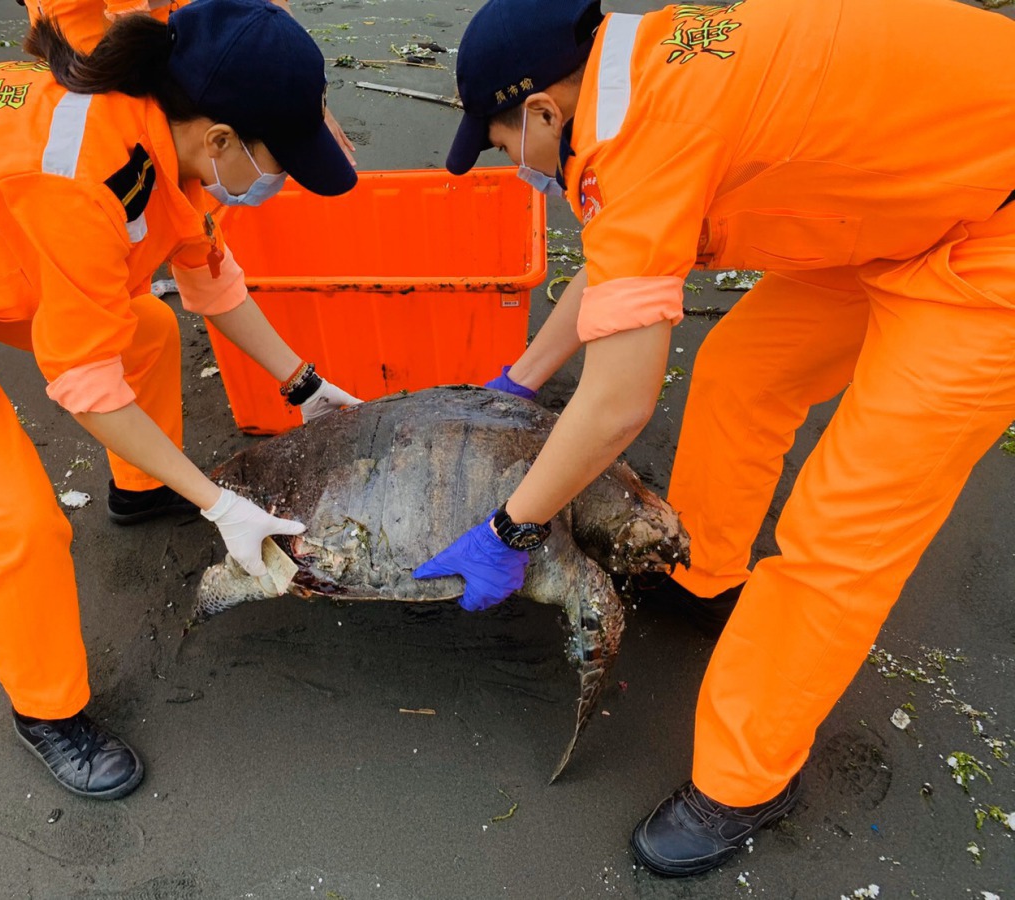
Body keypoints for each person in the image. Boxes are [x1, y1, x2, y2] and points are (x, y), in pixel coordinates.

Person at [416, 0, 1015, 877]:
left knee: (842, 530)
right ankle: (704, 569)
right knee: (739, 366)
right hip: (902, 200)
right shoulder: (644, 69)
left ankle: (746, 780)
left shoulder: (644, 134)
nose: (515, 165)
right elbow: (627, 255)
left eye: (505, 145)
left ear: (545, 110)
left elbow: (620, 402)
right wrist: (522, 380)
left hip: (991, 231)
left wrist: (512, 528)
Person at [0, 0, 359, 800]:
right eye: (278, 161)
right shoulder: (79, 176)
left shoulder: (160, 127)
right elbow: (85, 387)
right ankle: (47, 715)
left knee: (149, 332)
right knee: (15, 518)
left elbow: (209, 277)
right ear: (220, 139)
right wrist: (217, 502)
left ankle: (140, 493)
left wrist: (303, 384)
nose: (277, 179)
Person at [15, 0, 357, 161]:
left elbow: (268, 9)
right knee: (121, 138)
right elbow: (130, 35)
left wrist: (302, 88)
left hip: (152, 16)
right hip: (90, 36)